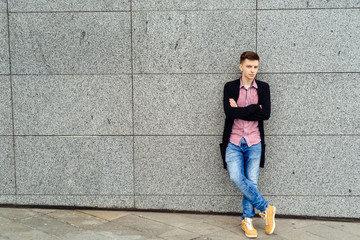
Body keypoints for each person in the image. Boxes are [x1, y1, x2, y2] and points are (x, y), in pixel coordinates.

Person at [219, 51, 275, 238]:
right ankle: (266, 209)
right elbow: (229, 113)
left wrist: (240, 110)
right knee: (236, 177)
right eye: (249, 66)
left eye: (256, 67)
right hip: (234, 141)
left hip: (254, 142)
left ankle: (247, 220)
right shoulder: (230, 87)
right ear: (240, 66)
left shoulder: (264, 88)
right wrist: (254, 109)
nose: (253, 70)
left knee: (251, 182)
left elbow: (265, 114)